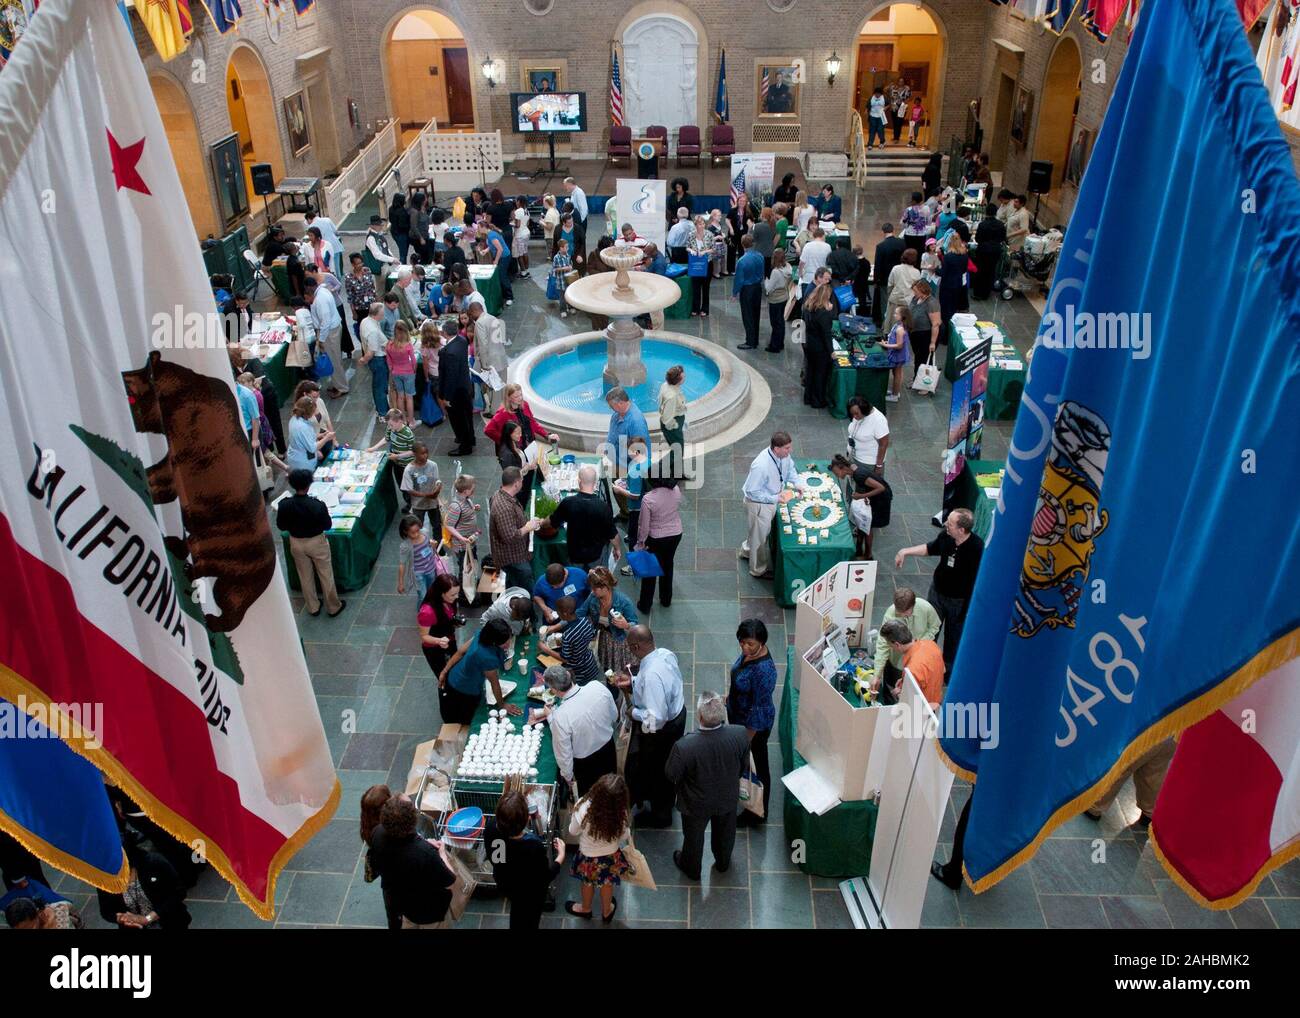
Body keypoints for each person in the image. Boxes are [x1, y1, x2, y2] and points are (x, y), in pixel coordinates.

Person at [665, 690, 751, 880]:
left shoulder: (684, 746)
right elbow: (743, 765)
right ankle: (722, 862)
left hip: (696, 803)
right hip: (727, 797)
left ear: (700, 716)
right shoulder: (739, 734)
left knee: (693, 838)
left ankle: (692, 868)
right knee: (725, 834)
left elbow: (671, 774)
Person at [612, 625, 686, 829]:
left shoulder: (651, 676)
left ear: (636, 646)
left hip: (662, 728)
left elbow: (656, 718)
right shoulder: (664, 654)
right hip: (677, 714)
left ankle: (661, 814)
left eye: (630, 647)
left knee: (656, 768)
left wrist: (633, 713)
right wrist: (634, 683)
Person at [895, 508, 984, 671]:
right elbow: (930, 548)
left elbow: (978, 581)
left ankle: (948, 670)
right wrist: (905, 551)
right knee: (929, 631)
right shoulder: (946, 536)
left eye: (949, 523)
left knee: (953, 637)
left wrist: (968, 608)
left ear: (961, 530)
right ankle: (925, 663)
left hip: (958, 601)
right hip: (937, 593)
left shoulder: (977, 548)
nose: (945, 525)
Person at [368, 796, 456, 929]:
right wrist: (442, 853)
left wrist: (424, 844)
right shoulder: (426, 853)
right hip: (430, 912)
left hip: (402, 906)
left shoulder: (377, 834)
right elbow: (450, 878)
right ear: (413, 820)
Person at [483, 790, 564, 930]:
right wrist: (560, 857)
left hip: (506, 883)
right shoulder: (533, 847)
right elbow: (544, 877)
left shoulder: (491, 828)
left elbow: (498, 860)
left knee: (517, 914)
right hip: (530, 894)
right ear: (527, 819)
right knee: (528, 920)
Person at [274, 468, 345, 617]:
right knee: (325, 574)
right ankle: (333, 606)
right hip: (316, 542)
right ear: (309, 485)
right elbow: (327, 525)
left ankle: (313, 607)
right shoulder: (317, 505)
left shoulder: (284, 505)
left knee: (304, 575)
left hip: (296, 543)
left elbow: (281, 526)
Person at [727, 619, 778, 825]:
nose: (745, 647)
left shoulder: (764, 671)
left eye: (750, 644)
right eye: (742, 642)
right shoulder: (750, 654)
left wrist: (745, 740)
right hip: (741, 716)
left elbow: (759, 708)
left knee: (758, 766)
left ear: (762, 643)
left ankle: (758, 811)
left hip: (755, 727)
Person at [545, 664, 619, 796]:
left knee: (591, 800)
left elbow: (564, 754)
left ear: (554, 690)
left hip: (585, 766)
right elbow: (614, 715)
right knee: (611, 789)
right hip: (609, 750)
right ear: (568, 675)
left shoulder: (560, 716)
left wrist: (568, 777)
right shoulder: (597, 686)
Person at [565, 773, 631, 922]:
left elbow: (572, 831)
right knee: (607, 884)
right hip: (610, 856)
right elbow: (624, 836)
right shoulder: (621, 813)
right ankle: (607, 912)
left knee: (587, 883)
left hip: (587, 856)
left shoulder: (583, 806)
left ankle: (586, 909)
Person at [740, 431, 798, 579]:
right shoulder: (761, 465)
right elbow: (752, 492)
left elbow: (790, 468)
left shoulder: (783, 456)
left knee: (756, 531)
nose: (789, 451)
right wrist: (775, 498)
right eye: (787, 448)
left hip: (771, 499)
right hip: (758, 504)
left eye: (790, 447)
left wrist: (797, 483)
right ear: (776, 449)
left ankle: (746, 551)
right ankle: (757, 569)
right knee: (759, 538)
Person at [439, 616, 518, 724]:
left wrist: (445, 671)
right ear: (494, 642)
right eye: (504, 643)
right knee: (466, 716)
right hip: (464, 688)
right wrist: (502, 705)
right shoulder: (486, 657)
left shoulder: (482, 635)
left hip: (455, 675)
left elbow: (460, 652)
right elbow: (494, 684)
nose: (508, 644)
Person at [1085, 739, 1177, 829]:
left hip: (1145, 732)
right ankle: (1149, 812)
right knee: (1154, 773)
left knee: (1121, 768)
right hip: (1172, 731)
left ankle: (1095, 807)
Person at [547, 464, 622, 571]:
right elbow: (613, 534)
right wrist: (617, 548)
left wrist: (541, 522)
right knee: (597, 582)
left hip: (575, 556)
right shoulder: (603, 507)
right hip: (596, 556)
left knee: (577, 580)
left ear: (579, 481)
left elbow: (552, 521)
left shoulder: (569, 503)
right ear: (595, 483)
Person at [873, 587, 941, 696]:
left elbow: (935, 626)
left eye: (904, 613)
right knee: (891, 688)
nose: (901, 615)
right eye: (898, 613)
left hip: (922, 701)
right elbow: (882, 645)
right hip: (897, 664)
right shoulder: (890, 614)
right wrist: (877, 674)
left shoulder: (926, 608)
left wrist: (920, 643)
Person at [635, 474, 683, 613]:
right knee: (668, 565)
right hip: (675, 534)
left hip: (656, 538)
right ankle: (666, 599)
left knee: (650, 571)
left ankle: (645, 604)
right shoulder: (676, 490)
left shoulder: (648, 499)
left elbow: (644, 526)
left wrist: (641, 543)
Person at [490, 467, 542, 590]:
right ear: (516, 484)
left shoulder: (500, 494)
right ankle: (525, 603)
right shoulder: (504, 508)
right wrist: (528, 527)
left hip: (512, 553)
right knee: (525, 580)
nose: (522, 482)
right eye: (522, 479)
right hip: (513, 557)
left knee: (513, 579)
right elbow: (510, 536)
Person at [829, 453, 888, 558]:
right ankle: (859, 547)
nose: (836, 475)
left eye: (836, 472)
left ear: (842, 468)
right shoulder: (852, 468)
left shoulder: (858, 474)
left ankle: (868, 554)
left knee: (868, 526)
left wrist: (862, 495)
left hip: (881, 498)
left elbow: (881, 488)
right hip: (871, 495)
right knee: (862, 522)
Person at [582, 566, 638, 675]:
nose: (592, 591)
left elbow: (635, 625)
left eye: (594, 588)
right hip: (604, 639)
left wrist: (626, 625)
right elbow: (580, 612)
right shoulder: (593, 597)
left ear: (605, 587)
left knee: (624, 671)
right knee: (609, 671)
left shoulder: (623, 601)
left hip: (621, 642)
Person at [877, 619, 945, 708]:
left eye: (890, 645)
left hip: (922, 709)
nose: (891, 648)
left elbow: (909, 701)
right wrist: (904, 681)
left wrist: (898, 694)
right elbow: (942, 670)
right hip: (937, 701)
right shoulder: (931, 644)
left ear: (897, 644)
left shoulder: (911, 670)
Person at [438, 319, 476, 455]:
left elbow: (449, 377)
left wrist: (447, 398)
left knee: (458, 420)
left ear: (445, 333)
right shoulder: (462, 341)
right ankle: (470, 439)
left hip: (456, 393)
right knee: (467, 417)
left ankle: (465, 446)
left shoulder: (447, 352)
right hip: (465, 387)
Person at [613, 437, 649, 573]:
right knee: (642, 533)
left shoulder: (634, 470)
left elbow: (634, 495)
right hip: (645, 505)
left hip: (636, 508)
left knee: (634, 536)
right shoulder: (648, 462)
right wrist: (625, 481)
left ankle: (634, 567)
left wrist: (619, 489)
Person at [551, 595, 604, 687]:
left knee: (583, 691)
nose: (557, 614)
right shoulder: (586, 621)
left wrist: (545, 649)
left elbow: (565, 658)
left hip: (579, 672)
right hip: (590, 663)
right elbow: (591, 636)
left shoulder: (567, 635)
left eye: (558, 612)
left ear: (565, 614)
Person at [418, 573, 463, 683]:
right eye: (453, 594)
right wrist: (439, 641)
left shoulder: (450, 601)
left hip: (449, 640)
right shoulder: (427, 612)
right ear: (441, 593)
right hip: (434, 649)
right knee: (443, 675)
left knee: (455, 666)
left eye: (457, 593)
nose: (456, 597)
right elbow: (424, 636)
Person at [306, 277, 346, 398]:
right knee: (334, 358)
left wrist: (321, 339)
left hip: (329, 332)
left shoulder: (320, 298)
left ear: (310, 288)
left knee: (334, 359)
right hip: (331, 329)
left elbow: (326, 321)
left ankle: (342, 387)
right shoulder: (323, 291)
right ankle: (337, 383)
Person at [468, 302, 508, 416]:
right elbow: (502, 338)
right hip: (501, 356)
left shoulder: (480, 323)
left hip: (490, 361)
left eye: (471, 314)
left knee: (493, 388)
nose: (471, 317)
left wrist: (485, 365)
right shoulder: (494, 318)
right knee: (502, 385)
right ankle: (503, 409)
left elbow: (483, 345)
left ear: (475, 311)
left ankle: (495, 412)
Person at [801, 282, 836, 409]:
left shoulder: (808, 307)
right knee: (820, 374)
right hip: (820, 348)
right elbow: (826, 334)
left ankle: (808, 397)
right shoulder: (824, 313)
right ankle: (817, 400)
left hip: (809, 344)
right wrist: (831, 351)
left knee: (810, 371)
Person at [730, 234, 765, 351]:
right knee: (756, 314)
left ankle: (750, 341)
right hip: (758, 288)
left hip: (747, 289)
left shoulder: (742, 261)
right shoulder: (760, 256)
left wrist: (735, 293)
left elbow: (739, 279)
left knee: (747, 315)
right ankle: (755, 339)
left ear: (742, 244)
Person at [604, 387, 650, 474]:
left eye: (611, 406)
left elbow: (641, 453)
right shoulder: (617, 414)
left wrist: (634, 473)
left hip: (627, 469)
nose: (610, 408)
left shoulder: (636, 422)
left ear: (620, 403)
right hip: (618, 464)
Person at [398, 514, 442, 599]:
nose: (417, 534)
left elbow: (430, 548)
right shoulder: (405, 546)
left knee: (431, 591)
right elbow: (402, 564)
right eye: (413, 532)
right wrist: (400, 583)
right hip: (418, 574)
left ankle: (429, 609)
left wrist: (433, 545)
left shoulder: (425, 533)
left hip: (431, 569)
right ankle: (422, 611)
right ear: (405, 531)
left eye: (418, 530)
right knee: (423, 596)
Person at [907, 278, 943, 382]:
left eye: (916, 291)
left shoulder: (931, 303)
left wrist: (932, 342)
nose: (914, 293)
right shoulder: (916, 298)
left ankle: (924, 383)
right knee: (918, 358)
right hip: (916, 333)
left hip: (926, 335)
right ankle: (916, 379)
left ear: (923, 290)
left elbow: (935, 324)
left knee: (924, 360)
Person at [400, 443, 442, 532]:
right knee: (418, 526)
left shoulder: (433, 465)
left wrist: (437, 489)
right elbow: (409, 490)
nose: (426, 455)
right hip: (418, 505)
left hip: (433, 503)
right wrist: (427, 495)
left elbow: (437, 481)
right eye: (422, 453)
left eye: (426, 452)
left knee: (437, 524)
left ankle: (438, 544)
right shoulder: (409, 470)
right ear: (415, 454)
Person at [496, 420, 536, 507]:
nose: (520, 435)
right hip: (518, 486)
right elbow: (512, 476)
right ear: (509, 434)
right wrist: (528, 467)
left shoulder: (513, 443)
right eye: (517, 433)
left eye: (520, 432)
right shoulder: (507, 454)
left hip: (524, 479)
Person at [972, 205, 1007, 301]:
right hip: (995, 250)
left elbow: (978, 238)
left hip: (983, 250)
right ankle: (986, 293)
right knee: (991, 271)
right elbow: (1003, 238)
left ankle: (978, 293)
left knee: (980, 271)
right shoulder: (1000, 224)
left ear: (986, 212)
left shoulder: (982, 224)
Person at [286, 396, 330, 473]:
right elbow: (312, 448)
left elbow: (304, 438)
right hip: (303, 463)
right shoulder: (302, 427)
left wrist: (321, 435)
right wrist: (326, 438)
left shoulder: (294, 419)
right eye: (313, 411)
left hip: (296, 458)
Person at [872, 223, 906, 324]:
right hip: (900, 277)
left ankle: (885, 324)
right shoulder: (902, 243)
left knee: (885, 303)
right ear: (893, 230)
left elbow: (878, 265)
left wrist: (875, 280)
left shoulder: (881, 246)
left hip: (885, 279)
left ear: (883, 232)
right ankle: (899, 322)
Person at [444, 474, 481, 562]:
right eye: (472, 489)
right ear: (465, 492)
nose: (474, 490)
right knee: (465, 569)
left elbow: (464, 513)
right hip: (462, 546)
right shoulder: (456, 506)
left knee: (473, 561)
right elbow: (448, 525)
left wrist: (474, 508)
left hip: (470, 540)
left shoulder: (466, 499)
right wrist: (461, 538)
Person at [938, 234, 971, 329]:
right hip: (958, 285)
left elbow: (943, 272)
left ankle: (945, 334)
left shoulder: (948, 257)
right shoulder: (964, 255)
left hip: (947, 286)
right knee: (953, 308)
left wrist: (935, 269)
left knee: (945, 310)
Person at [764, 248, 793, 352]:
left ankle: (775, 346)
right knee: (780, 321)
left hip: (775, 299)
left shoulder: (776, 272)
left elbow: (768, 288)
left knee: (775, 323)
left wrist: (766, 281)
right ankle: (780, 343)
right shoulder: (788, 267)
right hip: (784, 296)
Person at [658, 364, 687, 462]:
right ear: (677, 380)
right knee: (677, 451)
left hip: (673, 422)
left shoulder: (666, 385)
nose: (685, 377)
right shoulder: (672, 396)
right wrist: (676, 426)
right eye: (683, 376)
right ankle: (657, 470)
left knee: (677, 450)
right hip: (672, 427)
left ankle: (676, 474)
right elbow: (667, 419)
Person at [686, 215, 714, 316]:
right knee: (696, 287)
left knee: (706, 288)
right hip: (695, 264)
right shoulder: (691, 235)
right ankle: (695, 308)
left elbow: (713, 249)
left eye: (703, 224)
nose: (701, 226)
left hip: (707, 263)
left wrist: (705, 251)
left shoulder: (709, 234)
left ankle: (705, 309)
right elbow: (687, 247)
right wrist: (691, 250)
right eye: (699, 224)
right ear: (695, 225)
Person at [883, 304, 909, 402]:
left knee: (897, 374)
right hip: (897, 354)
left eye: (896, 313)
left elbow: (899, 345)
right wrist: (887, 342)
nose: (894, 315)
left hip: (898, 355)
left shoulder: (900, 329)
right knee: (895, 373)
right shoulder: (898, 325)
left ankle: (894, 395)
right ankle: (895, 391)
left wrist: (886, 345)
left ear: (902, 316)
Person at [796, 227, 832, 298]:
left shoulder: (807, 246)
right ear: (823, 235)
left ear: (814, 236)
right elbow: (829, 264)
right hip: (821, 280)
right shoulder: (828, 247)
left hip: (808, 279)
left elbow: (802, 262)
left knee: (807, 302)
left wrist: (800, 273)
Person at [550, 237, 572, 316]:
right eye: (566, 247)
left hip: (568, 279)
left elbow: (570, 263)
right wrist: (564, 268)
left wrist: (570, 266)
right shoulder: (556, 257)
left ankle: (570, 307)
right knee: (562, 297)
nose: (568, 248)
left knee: (569, 294)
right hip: (560, 281)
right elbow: (554, 269)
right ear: (561, 248)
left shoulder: (567, 255)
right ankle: (563, 310)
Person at [511, 196, 532, 276]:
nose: (516, 203)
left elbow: (518, 225)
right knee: (525, 252)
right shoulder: (527, 211)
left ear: (519, 202)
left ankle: (523, 273)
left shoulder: (518, 211)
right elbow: (527, 223)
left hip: (520, 235)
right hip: (526, 232)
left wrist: (511, 224)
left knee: (520, 254)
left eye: (516, 201)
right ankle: (527, 270)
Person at [388, 192, 411, 263]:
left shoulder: (391, 208)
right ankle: (402, 266)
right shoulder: (402, 212)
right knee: (403, 253)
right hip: (402, 234)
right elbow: (403, 226)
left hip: (394, 231)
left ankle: (403, 264)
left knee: (402, 251)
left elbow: (391, 220)